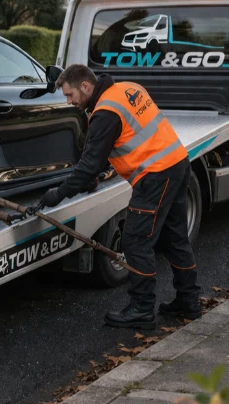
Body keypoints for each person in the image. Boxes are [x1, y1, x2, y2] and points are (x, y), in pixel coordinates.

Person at [35, 64, 201, 329]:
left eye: (70, 95)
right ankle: (189, 301)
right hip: (177, 164)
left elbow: (89, 164)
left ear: (85, 87)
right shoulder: (127, 89)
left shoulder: (105, 112)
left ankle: (142, 310)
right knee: (175, 237)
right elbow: (125, 138)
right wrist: (93, 175)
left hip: (155, 176)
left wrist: (58, 194)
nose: (69, 102)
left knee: (135, 242)